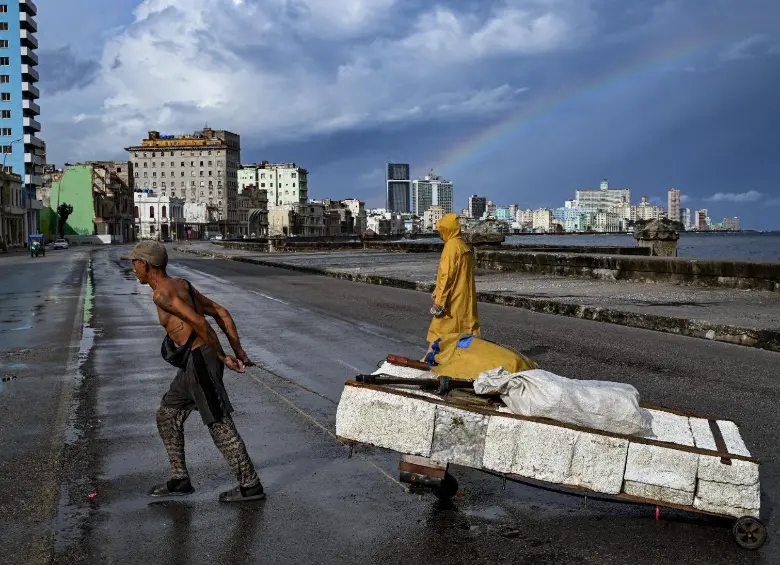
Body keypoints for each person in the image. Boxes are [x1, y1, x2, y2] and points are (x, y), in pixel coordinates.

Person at [121, 240, 265, 503]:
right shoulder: (182, 285)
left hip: (202, 360)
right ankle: (180, 480)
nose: (133, 269)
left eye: (134, 263)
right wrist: (239, 351)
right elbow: (221, 312)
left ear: (145, 264)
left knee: (218, 422)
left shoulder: (162, 294)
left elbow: (200, 322)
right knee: (168, 414)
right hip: (193, 361)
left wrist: (224, 356)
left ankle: (250, 485)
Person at [424, 213, 480, 359]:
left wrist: (439, 301)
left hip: (452, 297)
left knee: (439, 327)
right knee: (464, 327)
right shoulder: (463, 246)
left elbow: (446, 276)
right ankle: (462, 358)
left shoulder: (450, 247)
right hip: (464, 296)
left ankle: (429, 358)